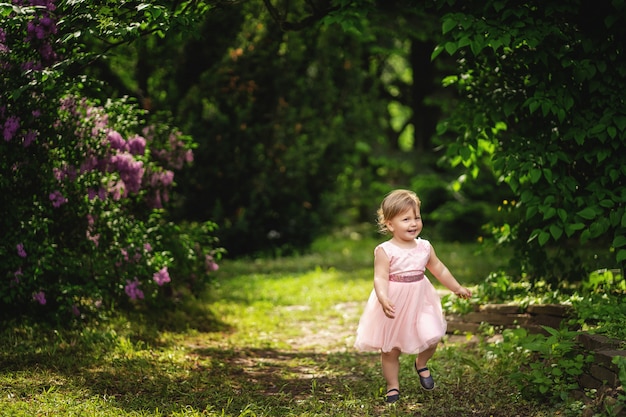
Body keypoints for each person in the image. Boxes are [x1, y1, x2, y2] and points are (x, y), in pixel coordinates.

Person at [354, 189, 472, 404]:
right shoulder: (385, 250)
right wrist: (382, 297)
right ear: (390, 224)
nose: (413, 223)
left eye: (416, 217)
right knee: (390, 349)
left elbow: (439, 269)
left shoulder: (424, 247)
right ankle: (393, 386)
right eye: (406, 219)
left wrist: (456, 287)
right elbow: (380, 278)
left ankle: (421, 363)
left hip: (420, 299)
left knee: (432, 335)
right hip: (394, 303)